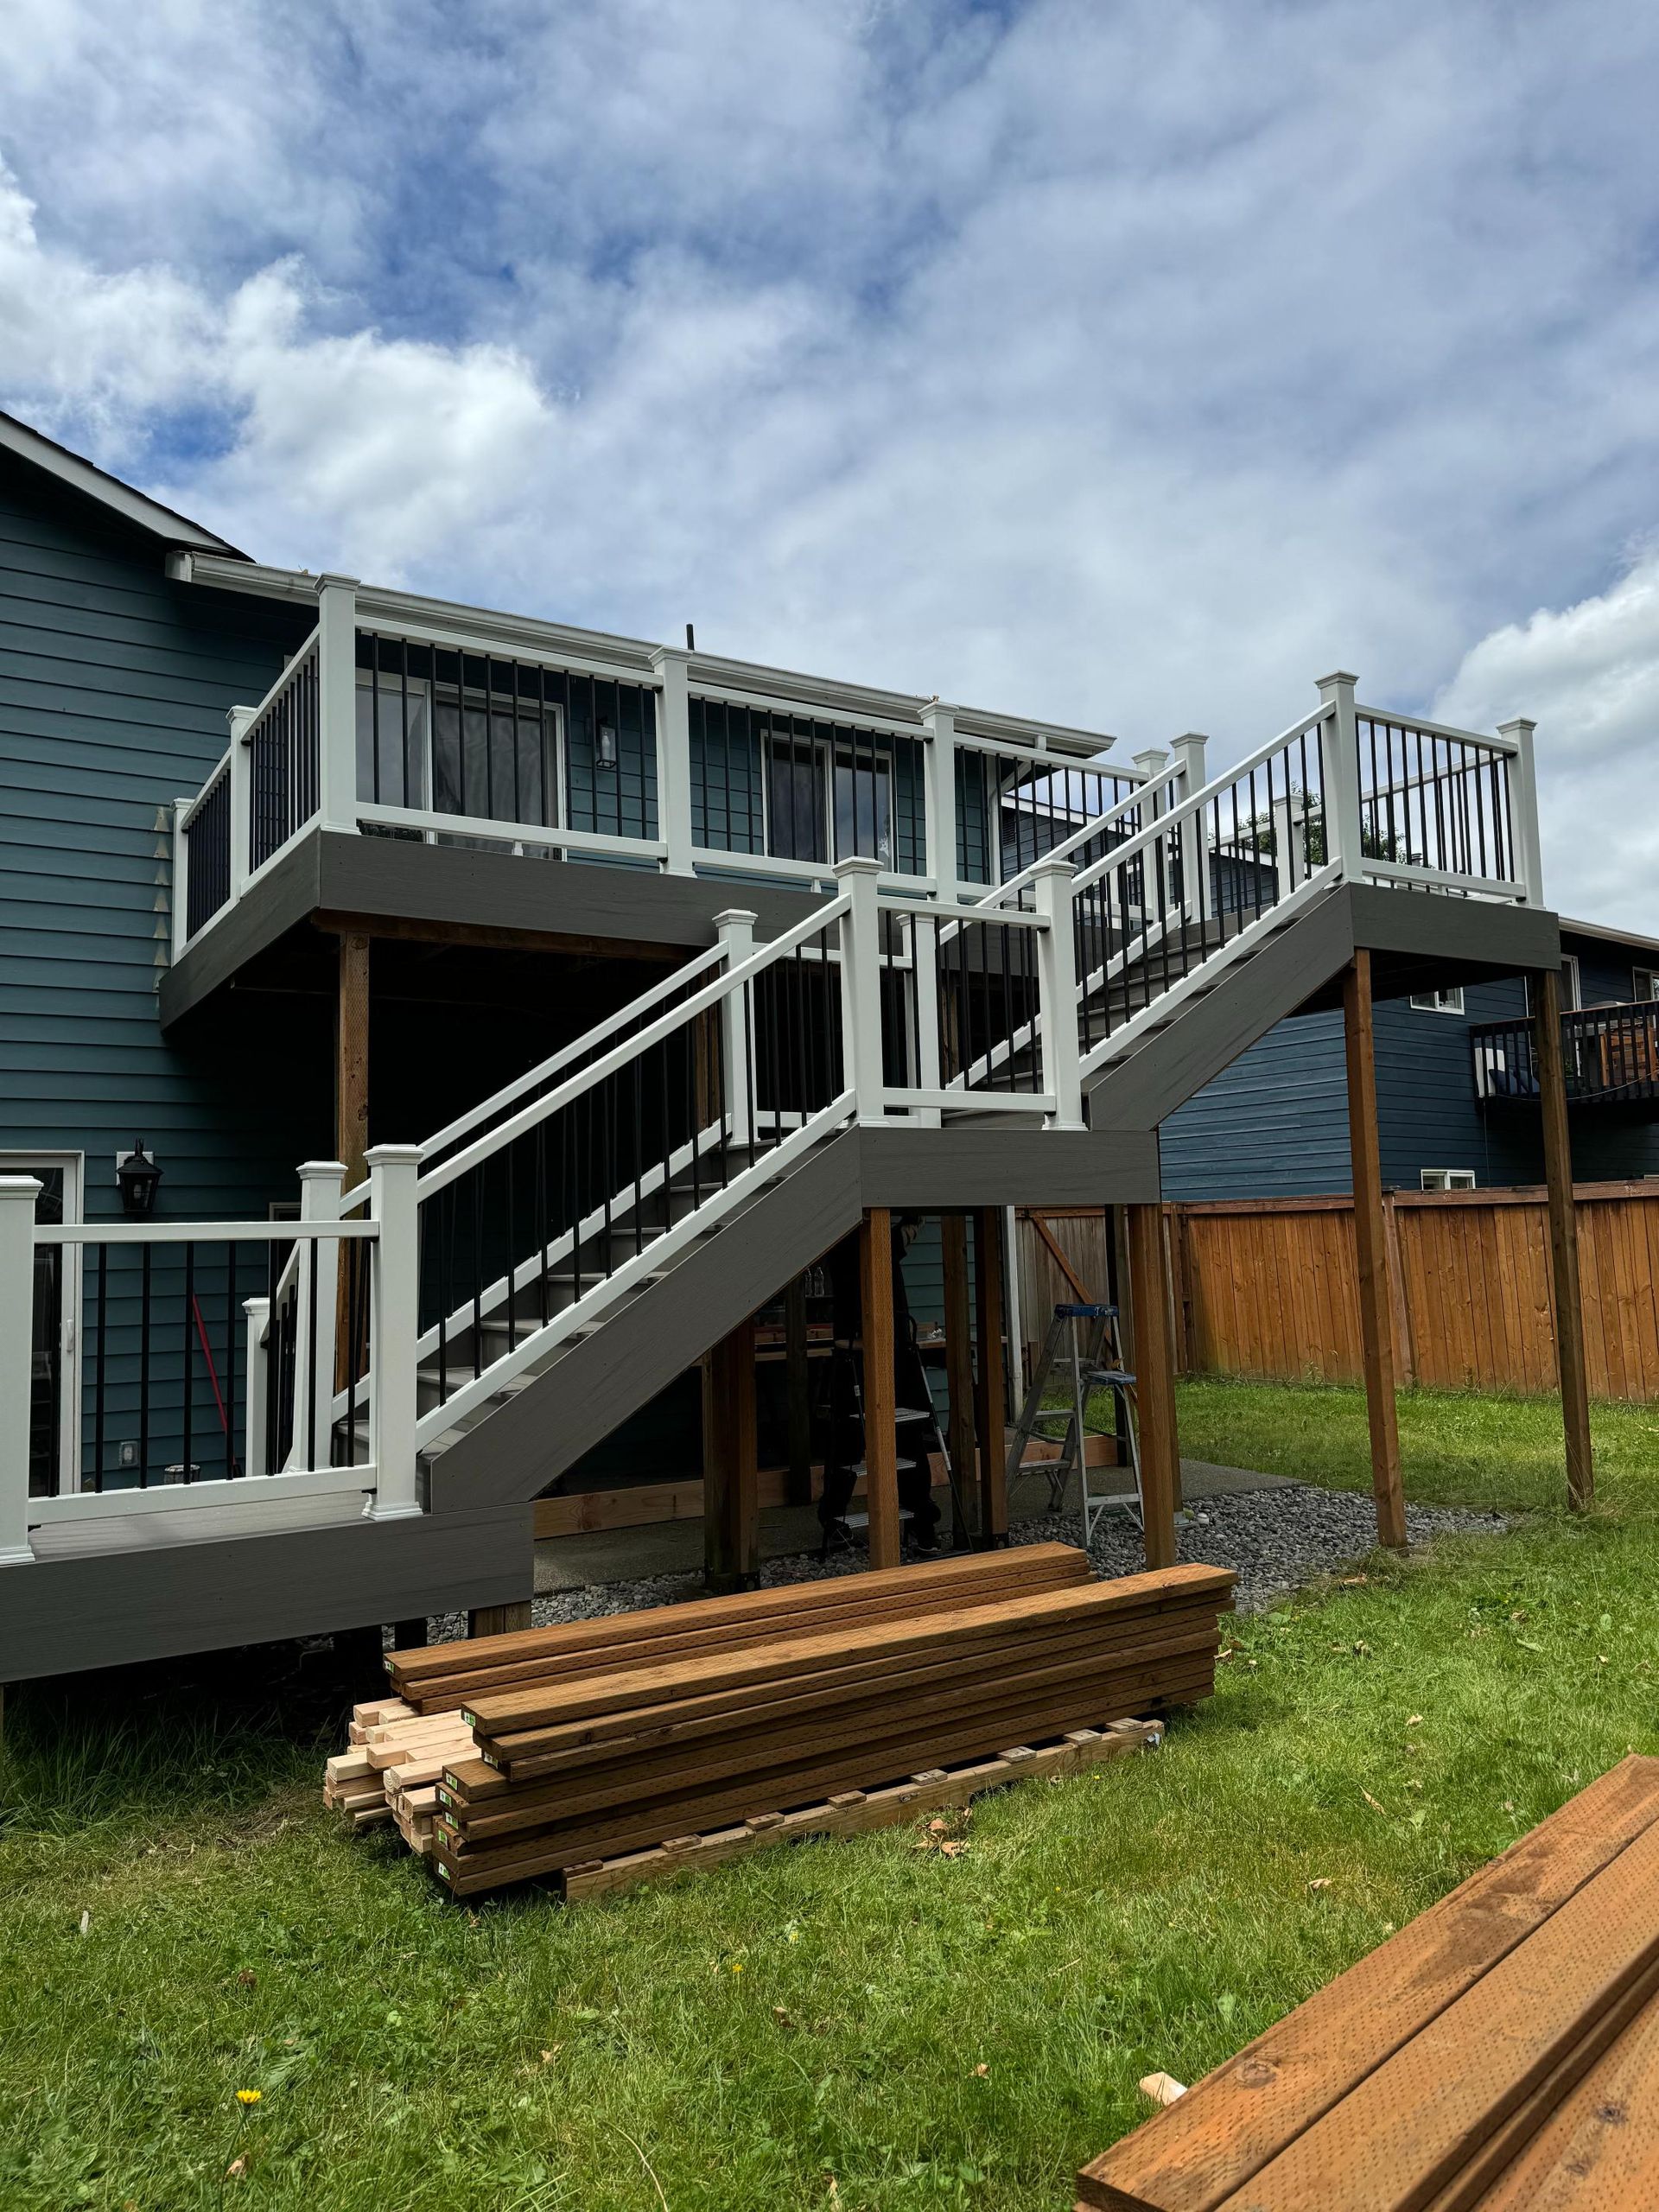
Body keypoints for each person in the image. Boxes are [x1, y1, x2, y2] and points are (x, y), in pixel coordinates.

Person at [818, 1216, 944, 1553]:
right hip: (861, 1351)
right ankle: (914, 1523)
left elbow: (892, 1242)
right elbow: (890, 1243)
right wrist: (910, 1225)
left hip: (888, 1347)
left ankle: (916, 1520)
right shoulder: (854, 1242)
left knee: (900, 1437)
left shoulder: (859, 1241)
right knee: (856, 1439)